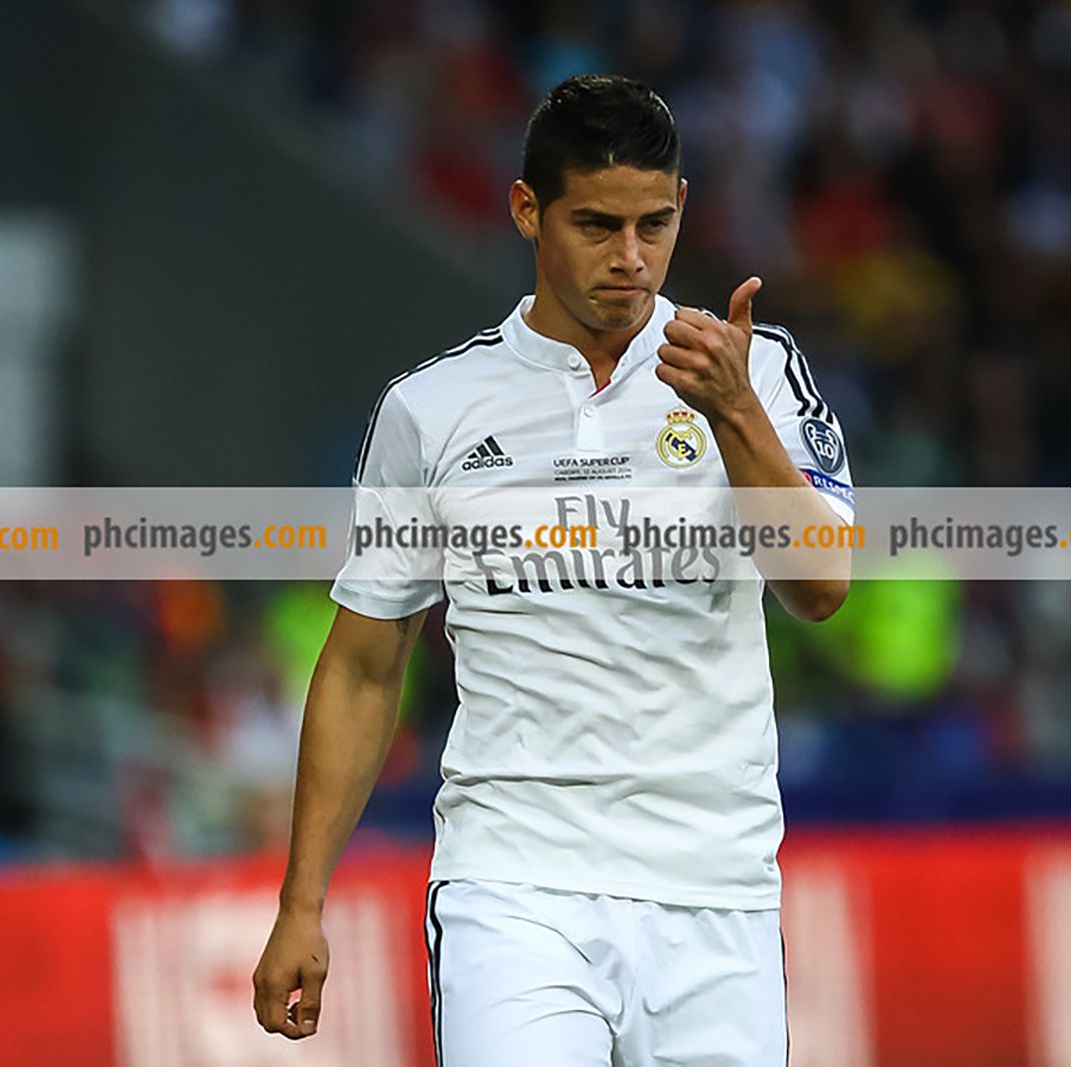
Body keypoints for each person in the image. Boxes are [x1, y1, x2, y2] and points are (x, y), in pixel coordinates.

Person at [253, 73, 855, 1066]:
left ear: (683, 208)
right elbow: (364, 664)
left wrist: (733, 412)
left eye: (654, 225)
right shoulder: (432, 410)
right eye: (596, 224)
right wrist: (301, 902)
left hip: (714, 887)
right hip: (514, 885)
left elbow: (820, 586)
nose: (630, 258)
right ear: (527, 209)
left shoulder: (756, 372)